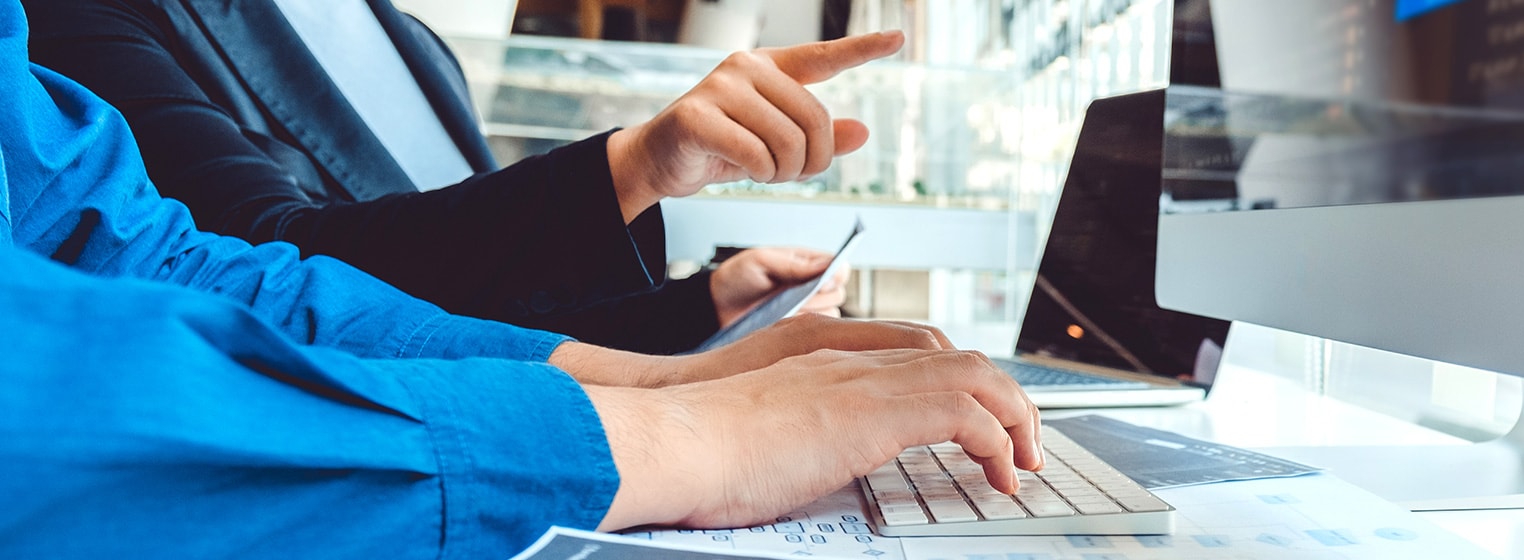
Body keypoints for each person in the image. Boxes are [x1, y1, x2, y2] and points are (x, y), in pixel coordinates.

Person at [0, 1, 1044, 556]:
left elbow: (169, 260)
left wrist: (674, 365)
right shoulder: (92, 12)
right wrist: (685, 433)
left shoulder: (410, 41)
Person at [21, 0, 882, 354]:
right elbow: (272, 268)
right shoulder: (82, 21)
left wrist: (705, 305)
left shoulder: (411, 41)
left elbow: (480, 308)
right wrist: (636, 165)